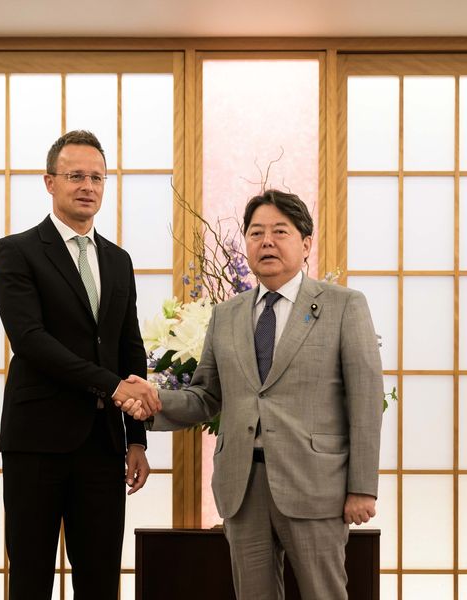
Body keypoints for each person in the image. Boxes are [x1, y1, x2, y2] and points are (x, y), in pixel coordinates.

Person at [119, 189, 383, 599]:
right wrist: (153, 399)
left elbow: (366, 401)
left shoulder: (343, 305)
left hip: (316, 485)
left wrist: (362, 487)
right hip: (243, 486)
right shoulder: (227, 315)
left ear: (306, 244)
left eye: (280, 231)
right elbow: (205, 396)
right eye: (256, 233)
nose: (267, 242)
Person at [0, 130, 160, 599]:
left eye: (97, 178)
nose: (88, 186)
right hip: (37, 442)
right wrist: (113, 386)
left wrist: (137, 438)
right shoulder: (17, 251)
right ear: (50, 182)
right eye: (75, 176)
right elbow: (31, 342)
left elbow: (130, 348)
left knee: (101, 580)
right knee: (30, 580)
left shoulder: (118, 260)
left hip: (103, 444)